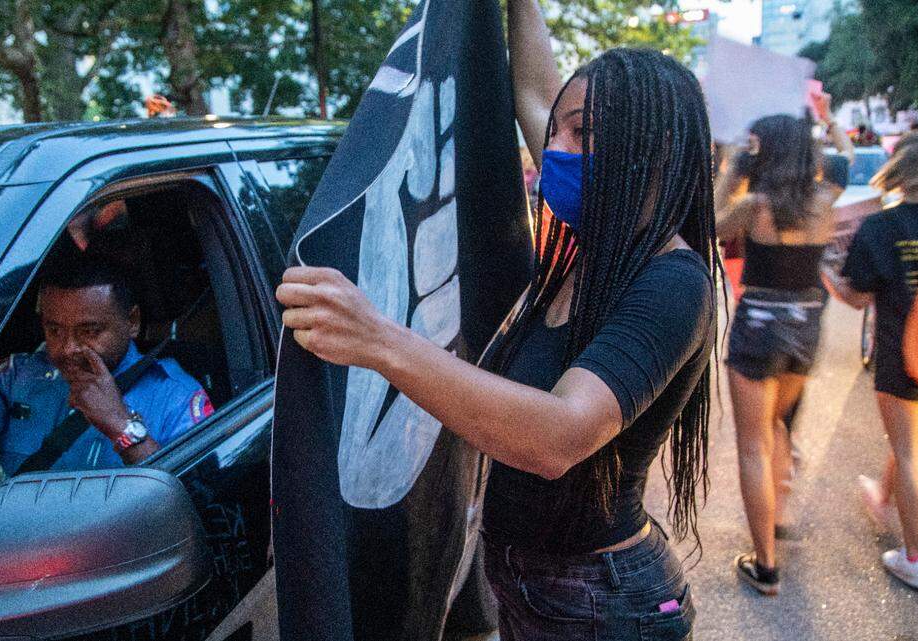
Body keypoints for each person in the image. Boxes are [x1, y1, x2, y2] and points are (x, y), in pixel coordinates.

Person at [277, 2, 717, 638]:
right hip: (535, 586)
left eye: (581, 134)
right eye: (556, 133)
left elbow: (557, 437)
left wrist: (377, 339)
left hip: (601, 607)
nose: (554, 151)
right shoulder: (601, 232)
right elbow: (535, 92)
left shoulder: (672, 283)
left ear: (655, 149)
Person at [714, 106, 852, 594]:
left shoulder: (756, 205)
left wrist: (730, 166)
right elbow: (847, 159)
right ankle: (773, 518)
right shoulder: (824, 199)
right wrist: (830, 120)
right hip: (806, 325)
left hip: (759, 325)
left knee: (754, 444)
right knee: (775, 428)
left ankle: (766, 564)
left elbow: (710, 224)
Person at [0, 258, 213, 474]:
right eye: (54, 330)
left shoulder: (175, 396)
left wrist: (121, 425)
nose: (67, 348)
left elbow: (191, 496)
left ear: (132, 322)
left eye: (90, 331)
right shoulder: (16, 377)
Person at [824, 132, 918, 590]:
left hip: (903, 357)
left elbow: (855, 297)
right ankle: (884, 495)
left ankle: (917, 556)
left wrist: (826, 270)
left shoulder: (882, 227)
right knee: (913, 442)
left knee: (909, 450)